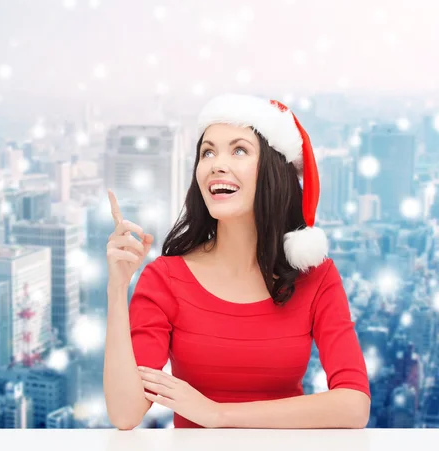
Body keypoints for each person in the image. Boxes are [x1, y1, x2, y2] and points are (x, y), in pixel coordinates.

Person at [103, 93, 371, 430]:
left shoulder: (316, 278)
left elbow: (354, 405)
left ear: (273, 169)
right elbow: (125, 414)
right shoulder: (164, 278)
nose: (217, 163)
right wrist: (116, 288)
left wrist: (218, 415)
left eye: (239, 150)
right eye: (208, 152)